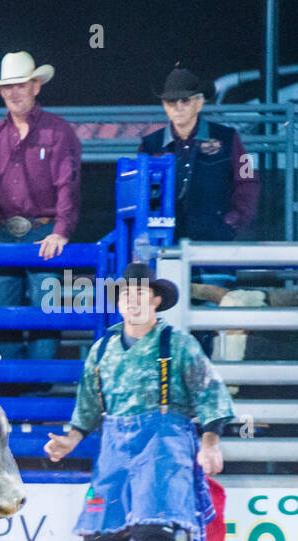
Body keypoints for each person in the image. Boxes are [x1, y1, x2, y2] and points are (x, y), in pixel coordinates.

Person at [45, 263, 233, 541]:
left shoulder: (178, 344)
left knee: (152, 527)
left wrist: (210, 442)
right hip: (115, 443)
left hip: (164, 441)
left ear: (156, 299)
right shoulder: (103, 349)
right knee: (98, 534)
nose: (131, 301)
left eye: (139, 294)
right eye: (125, 294)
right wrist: (70, 439)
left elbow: (209, 393)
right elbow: (88, 406)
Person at [0, 52, 81, 395]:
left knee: (47, 311)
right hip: (3, 231)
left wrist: (61, 230)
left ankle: (37, 391)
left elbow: (69, 184)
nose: (14, 93)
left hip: (44, 230)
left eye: (20, 85)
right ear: (1, 93)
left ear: (35, 86)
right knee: (2, 315)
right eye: (7, 88)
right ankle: (14, 392)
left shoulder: (58, 132)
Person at [139, 67, 260, 357]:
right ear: (164, 105)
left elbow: (248, 181)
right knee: (168, 313)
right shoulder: (150, 144)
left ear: (199, 102)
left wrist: (231, 222)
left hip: (214, 245)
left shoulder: (229, 138)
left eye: (185, 100)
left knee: (216, 314)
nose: (178, 107)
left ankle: (212, 380)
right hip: (166, 248)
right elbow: (138, 193)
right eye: (171, 102)